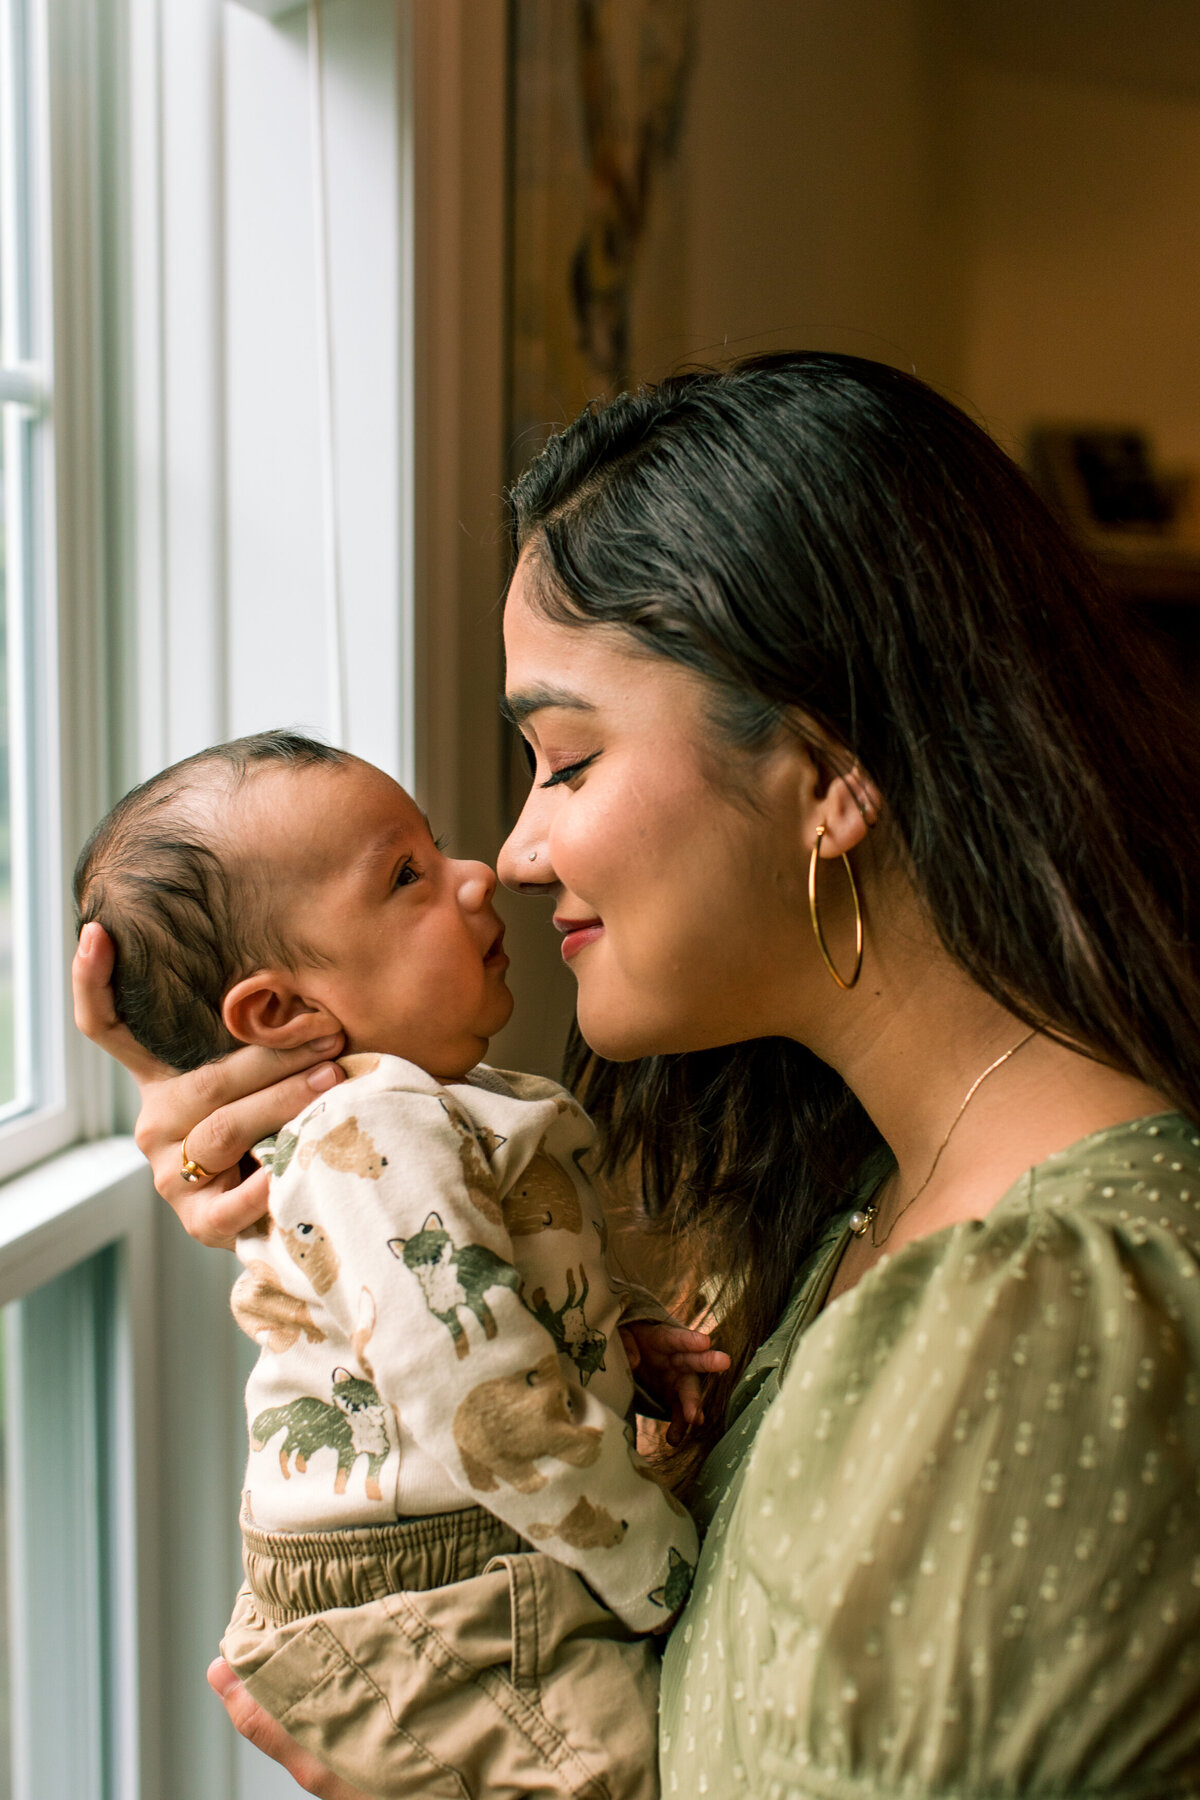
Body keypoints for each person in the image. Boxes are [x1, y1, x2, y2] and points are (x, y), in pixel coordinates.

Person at [74, 353, 1200, 1798]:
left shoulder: (1054, 1325)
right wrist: (318, 1167)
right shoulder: (845, 1195)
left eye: (568, 760)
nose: (520, 851)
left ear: (826, 767)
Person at [74, 731, 716, 1800]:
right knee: (642, 1774)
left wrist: (616, 1331)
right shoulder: (379, 1124)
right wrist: (657, 1556)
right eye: (407, 876)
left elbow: (489, 1289)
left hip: (451, 1544)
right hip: (431, 1582)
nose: (480, 873)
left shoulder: (421, 1110)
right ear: (281, 1013)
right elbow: (467, 1390)